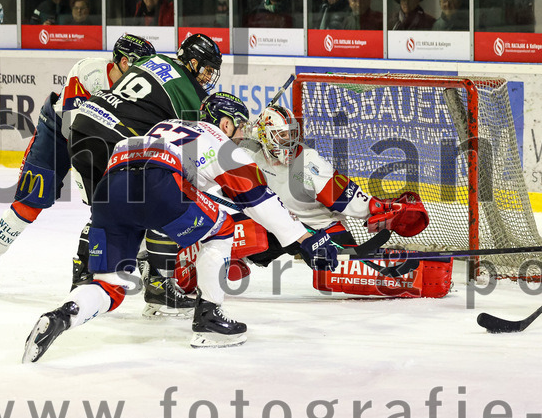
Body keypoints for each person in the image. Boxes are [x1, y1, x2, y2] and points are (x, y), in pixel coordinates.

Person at [22, 94, 339, 362]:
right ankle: (208, 320)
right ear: (224, 123)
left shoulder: (165, 126)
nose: (241, 135)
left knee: (111, 287)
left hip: (113, 181)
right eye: (239, 127)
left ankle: (62, 316)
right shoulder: (219, 141)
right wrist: (302, 238)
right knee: (223, 227)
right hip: (159, 181)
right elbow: (257, 198)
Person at [0, 34, 156, 293]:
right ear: (123, 61)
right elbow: (73, 129)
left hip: (104, 140)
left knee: (133, 196)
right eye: (140, 64)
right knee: (29, 202)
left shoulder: (142, 88)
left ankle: (144, 258)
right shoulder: (88, 71)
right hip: (59, 133)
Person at [67, 33, 221, 314]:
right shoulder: (188, 92)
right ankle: (157, 285)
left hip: (83, 126)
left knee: (104, 211)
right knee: (158, 199)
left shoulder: (154, 60)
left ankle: (86, 275)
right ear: (194, 63)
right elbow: (188, 142)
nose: (209, 77)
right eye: (208, 69)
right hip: (114, 138)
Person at [222, 103, 428, 271]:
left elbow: (343, 195)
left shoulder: (308, 164)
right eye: (281, 135)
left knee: (338, 266)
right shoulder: (250, 156)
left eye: (292, 134)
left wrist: (376, 207)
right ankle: (230, 259)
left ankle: (393, 270)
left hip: (321, 229)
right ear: (265, 137)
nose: (290, 141)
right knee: (242, 234)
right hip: (280, 227)